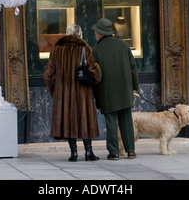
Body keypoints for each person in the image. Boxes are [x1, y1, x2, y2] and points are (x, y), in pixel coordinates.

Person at [43, 24, 101, 162]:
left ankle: (74, 153)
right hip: (83, 92)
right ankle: (88, 152)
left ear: (67, 33)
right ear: (80, 34)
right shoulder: (85, 49)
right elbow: (94, 72)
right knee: (85, 119)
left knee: (68, 120)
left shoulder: (56, 49)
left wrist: (55, 91)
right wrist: (97, 71)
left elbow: (48, 75)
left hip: (64, 93)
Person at [92, 18, 139, 160]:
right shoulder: (124, 45)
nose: (95, 33)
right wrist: (134, 87)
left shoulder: (96, 50)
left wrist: (94, 92)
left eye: (96, 31)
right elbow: (133, 68)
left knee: (111, 122)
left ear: (100, 33)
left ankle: (114, 152)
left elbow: (95, 73)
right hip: (125, 89)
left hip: (107, 91)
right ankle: (130, 150)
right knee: (126, 120)